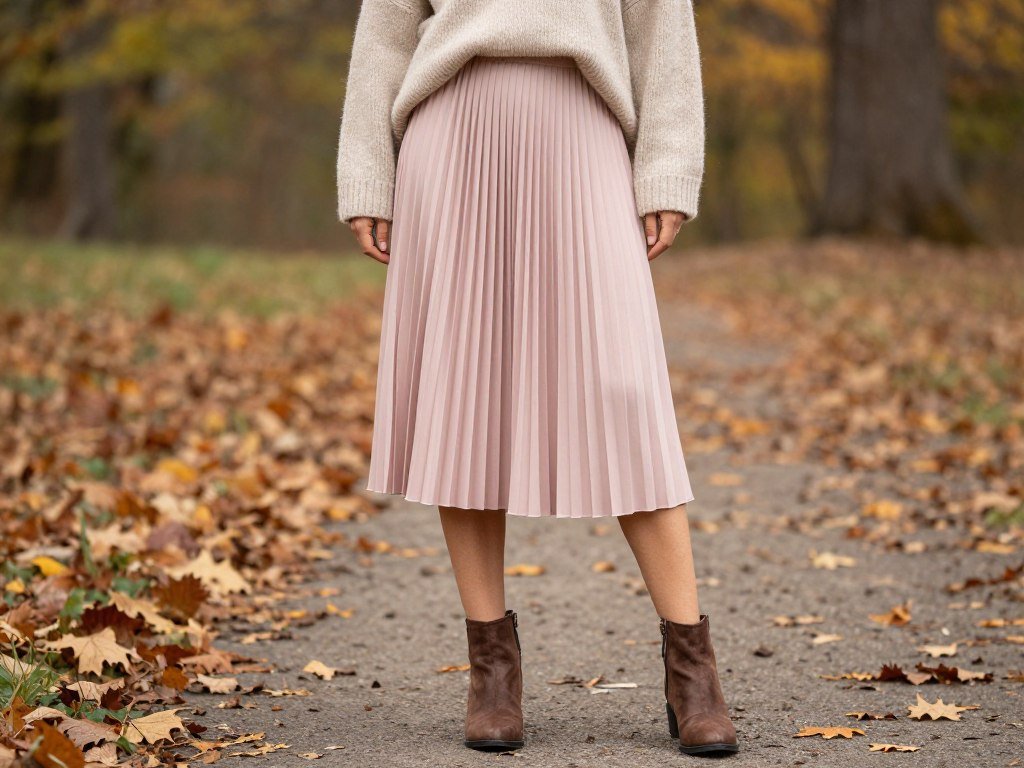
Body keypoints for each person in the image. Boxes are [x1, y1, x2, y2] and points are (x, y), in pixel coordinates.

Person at [335, 0, 739, 757]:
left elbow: (663, 29)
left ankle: (692, 670)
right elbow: (387, 29)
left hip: (583, 127)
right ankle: (492, 670)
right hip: (447, 138)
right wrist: (366, 172)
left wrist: (667, 168)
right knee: (465, 397)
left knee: (625, 393)